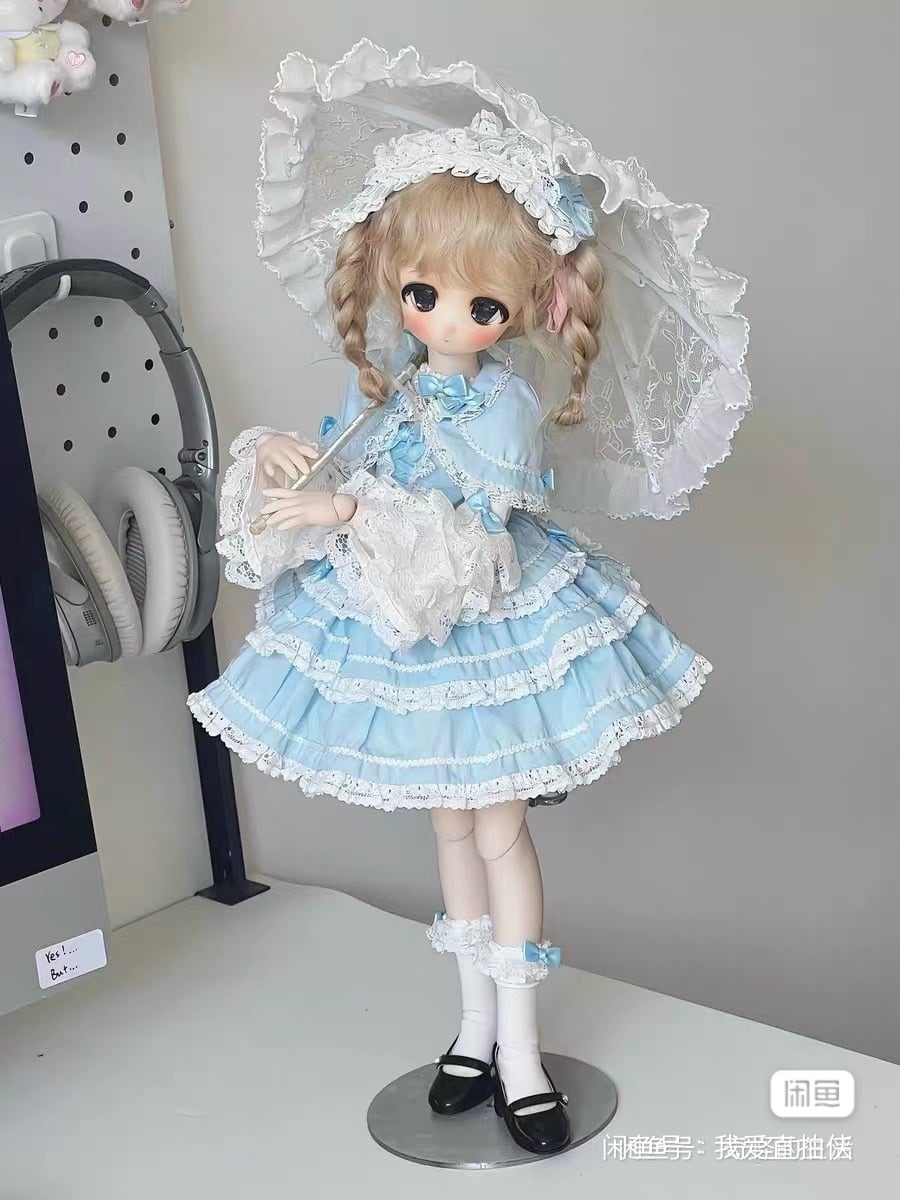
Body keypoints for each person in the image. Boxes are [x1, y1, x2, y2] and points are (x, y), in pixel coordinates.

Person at [188, 41, 750, 1158]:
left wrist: (353, 511)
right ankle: (473, 1029)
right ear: (396, 283)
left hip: (483, 615)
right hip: (402, 618)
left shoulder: (503, 414)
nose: (447, 320)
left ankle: (524, 1051)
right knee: (448, 822)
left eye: (481, 303)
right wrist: (295, 467)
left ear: (531, 305)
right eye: (424, 294)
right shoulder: (392, 388)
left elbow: (474, 552)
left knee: (498, 828)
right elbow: (341, 479)